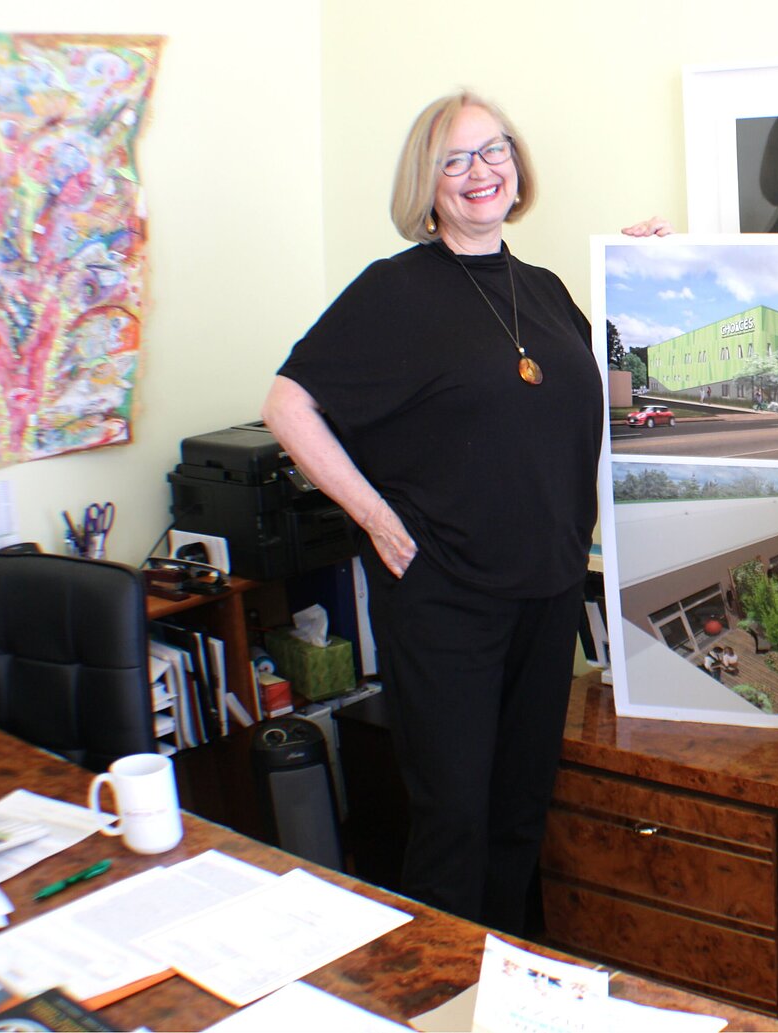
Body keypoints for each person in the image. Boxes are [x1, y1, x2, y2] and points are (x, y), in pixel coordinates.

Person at [261, 90, 668, 931]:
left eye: (494, 151)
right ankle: (448, 1001)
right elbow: (287, 404)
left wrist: (650, 279)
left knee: (520, 813)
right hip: (448, 600)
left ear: (517, 165)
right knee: (455, 822)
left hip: (549, 591)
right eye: (456, 159)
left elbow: (606, 395)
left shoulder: (547, 291)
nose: (481, 172)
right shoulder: (395, 291)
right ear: (429, 182)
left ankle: (511, 989)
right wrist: (374, 517)